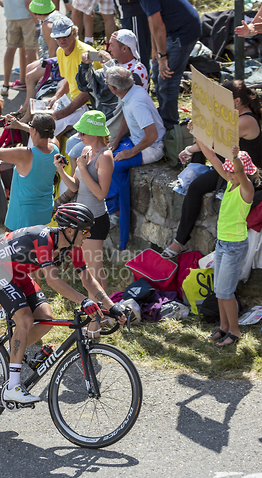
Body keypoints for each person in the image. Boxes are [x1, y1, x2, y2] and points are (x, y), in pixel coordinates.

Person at [0, 203, 126, 403]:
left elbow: (88, 280)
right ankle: (12, 387)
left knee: (47, 319)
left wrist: (113, 307)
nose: (88, 234)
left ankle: (5, 358)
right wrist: (84, 301)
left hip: (19, 273)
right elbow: (52, 280)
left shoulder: (72, 245)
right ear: (69, 230)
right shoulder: (44, 239)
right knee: (24, 320)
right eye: (85, 230)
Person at [162, 80, 262, 258]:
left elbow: (213, 142)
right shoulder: (234, 117)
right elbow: (210, 143)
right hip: (228, 169)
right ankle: (180, 242)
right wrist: (188, 149)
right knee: (195, 188)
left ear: (236, 102)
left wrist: (197, 132)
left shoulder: (246, 121)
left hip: (245, 175)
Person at [192, 139, 258, 347]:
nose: (227, 174)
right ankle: (223, 327)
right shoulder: (231, 183)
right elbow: (212, 157)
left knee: (225, 292)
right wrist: (198, 136)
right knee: (219, 290)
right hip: (222, 244)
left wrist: (236, 158)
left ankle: (235, 331)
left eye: (232, 171)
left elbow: (238, 171)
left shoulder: (246, 189)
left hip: (234, 246)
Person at [65, 28, 148, 174]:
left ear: (125, 48)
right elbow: (85, 86)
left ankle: (76, 189)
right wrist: (85, 66)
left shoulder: (138, 69)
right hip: (103, 118)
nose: (108, 49)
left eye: (112, 45)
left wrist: (110, 63)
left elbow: (121, 89)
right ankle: (74, 186)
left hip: (119, 121)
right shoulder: (112, 65)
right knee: (72, 142)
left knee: (78, 150)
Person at [106, 65, 165, 250]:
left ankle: (116, 212)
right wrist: (116, 141)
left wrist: (129, 153)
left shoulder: (137, 103)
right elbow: (127, 118)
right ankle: (113, 207)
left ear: (113, 89)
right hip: (138, 141)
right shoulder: (130, 93)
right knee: (104, 156)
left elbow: (152, 135)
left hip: (152, 148)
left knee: (112, 165)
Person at [55, 111, 114, 291]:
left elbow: (101, 194)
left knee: (94, 272)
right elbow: (75, 187)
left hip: (95, 220)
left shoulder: (105, 157)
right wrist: (60, 170)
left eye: (82, 132)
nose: (78, 136)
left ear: (95, 133)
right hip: (81, 219)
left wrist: (82, 167)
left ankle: (102, 315)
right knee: (90, 272)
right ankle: (103, 313)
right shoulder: (86, 150)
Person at [0, 114, 59, 230]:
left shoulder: (25, 154)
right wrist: (21, 126)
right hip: (44, 213)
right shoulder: (55, 148)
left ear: (34, 131)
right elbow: (49, 138)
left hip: (22, 219)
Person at [138, 0, 201, 130]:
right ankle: (163, 116)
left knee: (167, 80)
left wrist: (163, 57)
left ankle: (170, 126)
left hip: (184, 30)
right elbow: (152, 21)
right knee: (157, 76)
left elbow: (159, 27)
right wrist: (155, 49)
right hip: (171, 29)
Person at [45, 16, 100, 139]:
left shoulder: (86, 54)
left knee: (49, 132)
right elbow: (68, 80)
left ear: (74, 32)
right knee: (41, 122)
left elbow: (87, 93)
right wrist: (56, 97)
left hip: (89, 106)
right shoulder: (60, 51)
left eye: (65, 35)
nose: (61, 40)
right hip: (73, 102)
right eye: (58, 37)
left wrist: (64, 112)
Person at [17, 0, 63, 120]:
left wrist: (48, 73)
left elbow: (53, 50)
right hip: (51, 57)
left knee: (30, 77)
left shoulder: (47, 25)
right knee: (28, 68)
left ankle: (28, 114)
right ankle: (27, 104)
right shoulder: (56, 14)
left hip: (57, 61)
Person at [0, 0, 38, 96]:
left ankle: (5, 85)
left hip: (10, 17)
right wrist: (38, 22)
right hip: (28, 16)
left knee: (10, 49)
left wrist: (8, 7)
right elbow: (28, 2)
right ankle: (31, 84)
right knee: (31, 50)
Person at [114, 0, 151, 74]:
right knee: (137, 52)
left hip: (137, 12)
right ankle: (139, 80)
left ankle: (142, 80)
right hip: (131, 12)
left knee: (140, 52)